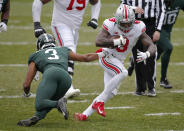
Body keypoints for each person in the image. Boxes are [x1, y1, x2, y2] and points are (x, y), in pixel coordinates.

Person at [74, 4, 157, 121]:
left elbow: (151, 45)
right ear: (117, 21)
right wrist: (116, 42)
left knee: (111, 92)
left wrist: (147, 54)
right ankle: (99, 102)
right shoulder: (110, 24)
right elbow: (98, 41)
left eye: (129, 22)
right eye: (123, 23)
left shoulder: (139, 27)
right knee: (123, 73)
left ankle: (84, 115)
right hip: (107, 56)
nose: (127, 26)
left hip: (118, 60)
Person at [17, 33, 106, 127]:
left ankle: (58, 103)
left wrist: (27, 93)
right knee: (48, 101)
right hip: (66, 79)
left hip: (51, 74)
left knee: (40, 103)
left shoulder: (36, 55)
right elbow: (85, 57)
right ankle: (36, 117)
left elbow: (26, 84)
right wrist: (103, 54)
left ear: (39, 45)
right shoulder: (63, 50)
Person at [32, 0, 101, 98]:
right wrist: (37, 24)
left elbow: (96, 2)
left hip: (75, 28)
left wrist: (94, 18)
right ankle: (67, 87)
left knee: (64, 55)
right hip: (60, 24)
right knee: (69, 51)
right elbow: (38, 1)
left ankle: (40, 67)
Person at [121, 0, 165, 96]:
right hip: (134, 24)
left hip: (150, 25)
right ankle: (140, 88)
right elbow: (122, 5)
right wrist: (133, 9)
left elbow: (161, 10)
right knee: (137, 56)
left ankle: (151, 87)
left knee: (150, 55)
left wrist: (158, 30)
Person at [156, 0, 184, 89]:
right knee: (168, 48)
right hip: (157, 30)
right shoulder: (156, 2)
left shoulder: (180, 2)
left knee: (156, 54)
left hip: (167, 32)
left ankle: (137, 61)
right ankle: (163, 79)